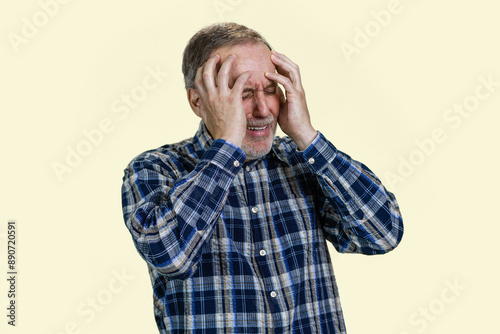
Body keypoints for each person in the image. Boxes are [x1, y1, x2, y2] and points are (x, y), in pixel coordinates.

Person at [121, 22, 403, 333]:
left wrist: (307, 136)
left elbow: (383, 233)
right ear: (198, 101)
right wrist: (227, 143)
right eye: (242, 92)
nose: (262, 109)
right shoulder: (155, 169)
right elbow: (170, 255)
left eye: (270, 90)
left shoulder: (303, 160)